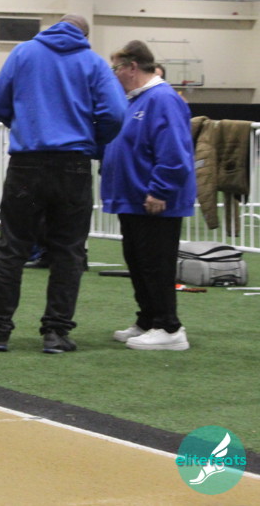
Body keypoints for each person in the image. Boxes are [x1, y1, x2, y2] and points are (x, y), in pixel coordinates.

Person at [0, 14, 127, 354]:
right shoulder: (93, 62)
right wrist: (94, 142)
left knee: (12, 249)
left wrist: (23, 124)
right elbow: (116, 113)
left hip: (26, 164)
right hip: (72, 165)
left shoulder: (23, 53)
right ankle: (56, 334)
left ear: (54, 27)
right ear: (85, 34)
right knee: (68, 251)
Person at [102, 41, 195, 351]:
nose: (113, 74)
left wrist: (160, 189)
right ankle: (148, 320)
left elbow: (175, 151)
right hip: (133, 198)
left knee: (156, 264)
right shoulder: (135, 100)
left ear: (132, 67)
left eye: (116, 67)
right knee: (139, 262)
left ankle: (169, 328)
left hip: (155, 200)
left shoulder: (163, 99)